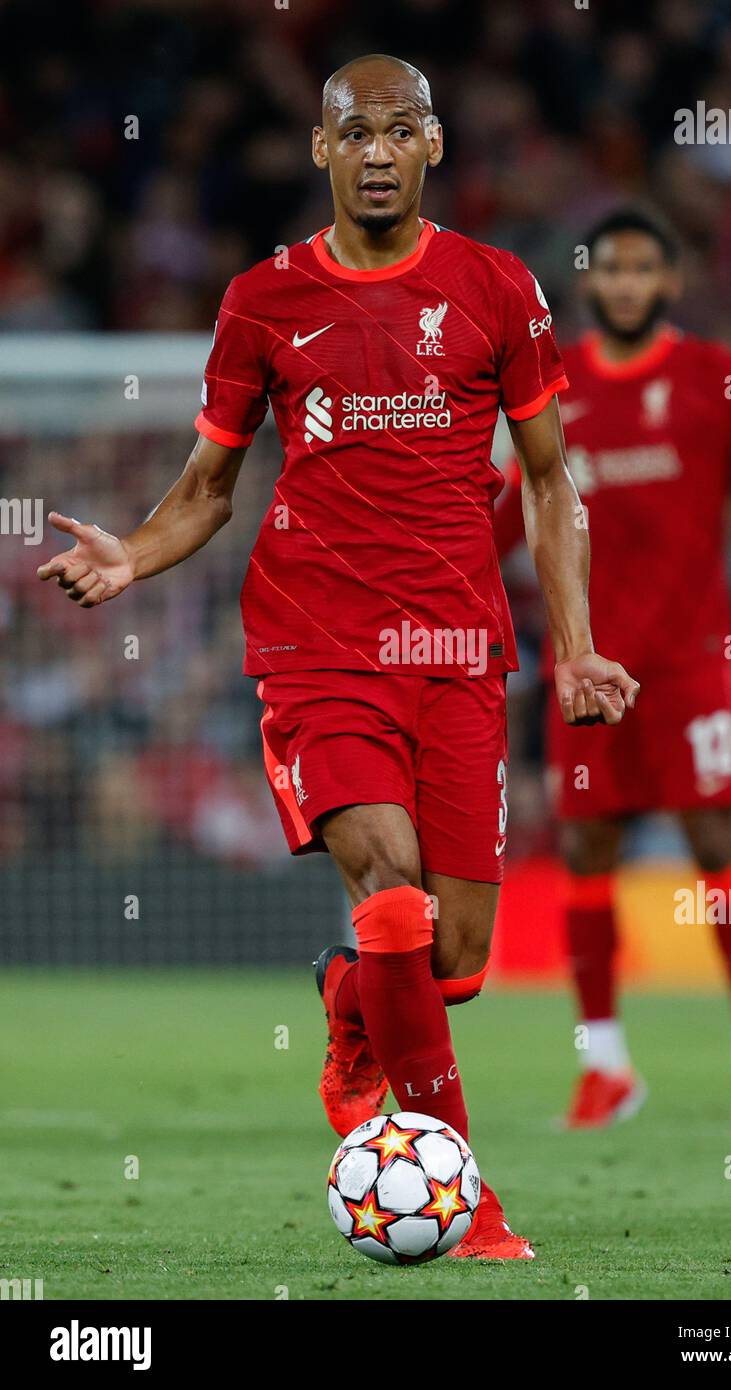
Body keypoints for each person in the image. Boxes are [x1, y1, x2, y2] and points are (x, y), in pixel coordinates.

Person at [37, 55, 638, 1258]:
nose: (375, 150)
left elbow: (547, 478)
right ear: (320, 152)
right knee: (393, 890)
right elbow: (209, 488)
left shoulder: (496, 288)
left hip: (462, 649)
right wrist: (133, 559)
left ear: (431, 148)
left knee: (452, 958)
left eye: (399, 129)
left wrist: (572, 648)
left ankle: (348, 1001)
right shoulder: (262, 299)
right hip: (316, 645)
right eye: (352, 131)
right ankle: (469, 1208)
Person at [495, 206, 731, 1130]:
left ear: (670, 283)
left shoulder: (715, 379)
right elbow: (506, 513)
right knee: (585, 853)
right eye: (610, 268)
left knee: (717, 847)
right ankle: (607, 1065)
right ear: (590, 282)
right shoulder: (555, 387)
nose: (625, 284)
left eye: (642, 269)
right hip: (586, 667)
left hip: (694, 664)